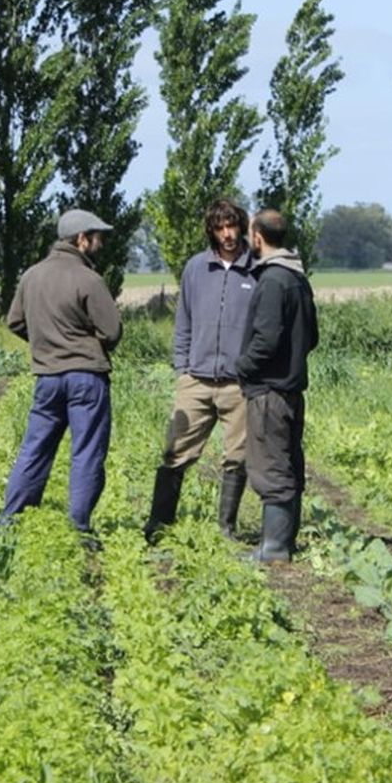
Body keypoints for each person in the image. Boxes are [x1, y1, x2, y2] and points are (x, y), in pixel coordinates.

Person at [0, 209, 122, 536]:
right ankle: (78, 528)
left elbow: (14, 322)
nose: (101, 243)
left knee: (34, 449)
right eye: (97, 237)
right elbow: (111, 331)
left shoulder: (31, 276)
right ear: (82, 239)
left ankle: (10, 524)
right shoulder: (89, 279)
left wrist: (45, 341)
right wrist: (85, 343)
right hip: (86, 378)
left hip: (48, 378)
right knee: (86, 452)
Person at [145, 198, 256, 541]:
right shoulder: (196, 268)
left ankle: (226, 528)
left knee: (237, 456)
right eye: (220, 228)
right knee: (175, 452)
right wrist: (183, 369)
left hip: (239, 383)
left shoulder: (257, 268)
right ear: (211, 231)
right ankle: (159, 524)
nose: (227, 234)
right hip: (196, 378)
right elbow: (184, 322)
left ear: (241, 226)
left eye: (232, 226)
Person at [236, 208, 319, 562]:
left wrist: (243, 366)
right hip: (291, 390)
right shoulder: (298, 277)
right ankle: (282, 542)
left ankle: (273, 547)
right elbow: (312, 337)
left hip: (269, 390)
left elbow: (265, 340)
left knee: (270, 466)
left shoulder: (272, 280)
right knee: (288, 462)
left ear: (257, 236)